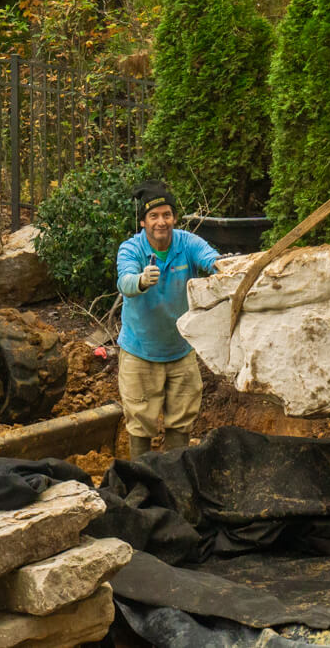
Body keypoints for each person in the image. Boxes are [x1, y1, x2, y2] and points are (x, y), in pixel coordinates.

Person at [115, 181, 219, 459]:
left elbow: (210, 257)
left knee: (182, 418)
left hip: (180, 350)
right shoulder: (131, 248)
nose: (161, 222)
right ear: (143, 221)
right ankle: (141, 475)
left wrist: (223, 266)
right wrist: (139, 280)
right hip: (140, 351)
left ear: (174, 218)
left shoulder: (186, 243)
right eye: (154, 216)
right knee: (140, 422)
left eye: (167, 215)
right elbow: (124, 280)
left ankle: (175, 474)